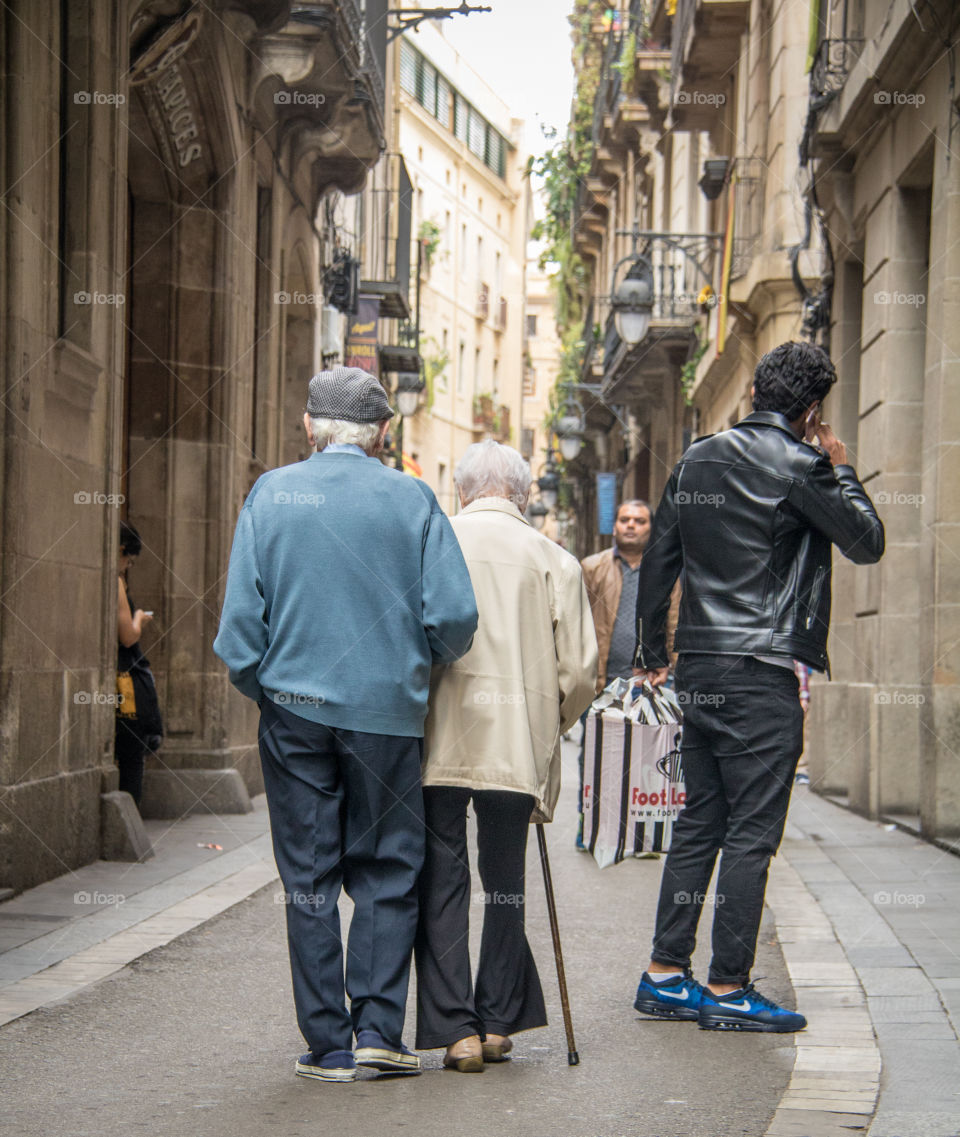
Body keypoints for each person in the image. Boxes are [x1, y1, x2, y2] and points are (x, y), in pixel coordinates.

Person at [213, 367, 478, 1083]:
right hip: (388, 717)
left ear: (309, 426)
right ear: (385, 433)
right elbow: (455, 619)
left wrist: (267, 692)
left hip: (294, 713)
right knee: (389, 867)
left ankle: (327, 1043)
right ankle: (378, 1032)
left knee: (308, 875)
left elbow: (239, 631)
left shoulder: (272, 494)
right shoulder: (414, 498)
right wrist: (415, 671)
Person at [633, 340, 884, 1032]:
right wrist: (844, 468)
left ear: (752, 395)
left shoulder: (695, 459)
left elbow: (659, 560)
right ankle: (729, 985)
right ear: (811, 411)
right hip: (761, 669)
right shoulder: (806, 465)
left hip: (701, 667)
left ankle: (663, 973)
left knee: (700, 821)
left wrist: (653, 649)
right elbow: (866, 540)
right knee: (750, 831)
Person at [414, 441, 598, 1072]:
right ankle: (495, 1021)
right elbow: (578, 674)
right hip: (516, 747)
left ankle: (455, 1031)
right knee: (505, 885)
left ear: (462, 492)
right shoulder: (555, 559)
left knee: (442, 878)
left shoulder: (432, 544)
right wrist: (548, 725)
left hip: (438, 738)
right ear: (521, 494)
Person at [576, 501, 678, 848]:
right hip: (605, 680)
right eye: (624, 520)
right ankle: (591, 824)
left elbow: (677, 618)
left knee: (651, 756)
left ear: (651, 526)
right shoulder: (592, 567)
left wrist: (672, 664)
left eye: (639, 520)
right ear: (615, 526)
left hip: (657, 679)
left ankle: (645, 832)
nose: (631, 526)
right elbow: (579, 622)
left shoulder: (668, 567)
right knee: (596, 753)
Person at [115, 521, 161, 805]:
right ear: (121, 550)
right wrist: (140, 618)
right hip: (124, 680)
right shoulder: (115, 581)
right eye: (128, 560)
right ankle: (130, 811)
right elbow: (128, 636)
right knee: (133, 747)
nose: (126, 567)